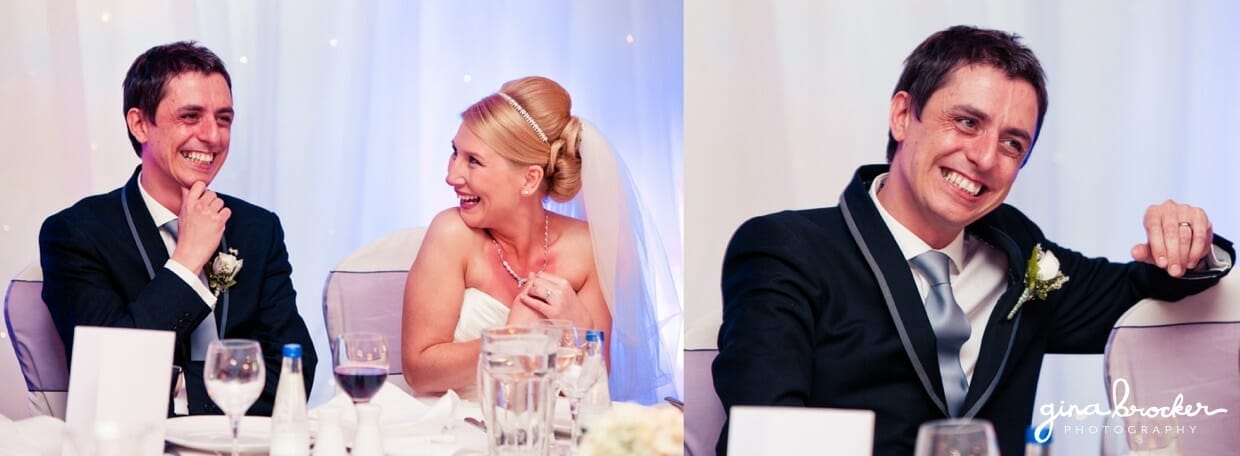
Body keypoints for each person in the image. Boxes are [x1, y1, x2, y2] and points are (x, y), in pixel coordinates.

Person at [712, 25, 1233, 456]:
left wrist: (1189, 239)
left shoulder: (1017, 249)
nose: (985, 158)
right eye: (966, 122)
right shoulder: (786, 248)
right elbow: (767, 435)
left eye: (1012, 143)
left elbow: (1137, 294)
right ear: (901, 115)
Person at [39, 41, 317, 416]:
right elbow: (107, 384)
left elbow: (295, 374)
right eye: (190, 116)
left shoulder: (257, 228)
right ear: (140, 124)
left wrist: (180, 386)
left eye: (223, 118)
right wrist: (187, 261)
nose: (213, 136)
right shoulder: (77, 234)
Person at [400, 76, 675, 402]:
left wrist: (579, 326)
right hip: (451, 431)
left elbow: (593, 384)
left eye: (473, 161)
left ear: (530, 179)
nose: (452, 175)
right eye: (454, 153)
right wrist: (510, 339)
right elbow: (418, 372)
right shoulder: (451, 234)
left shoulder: (586, 250)